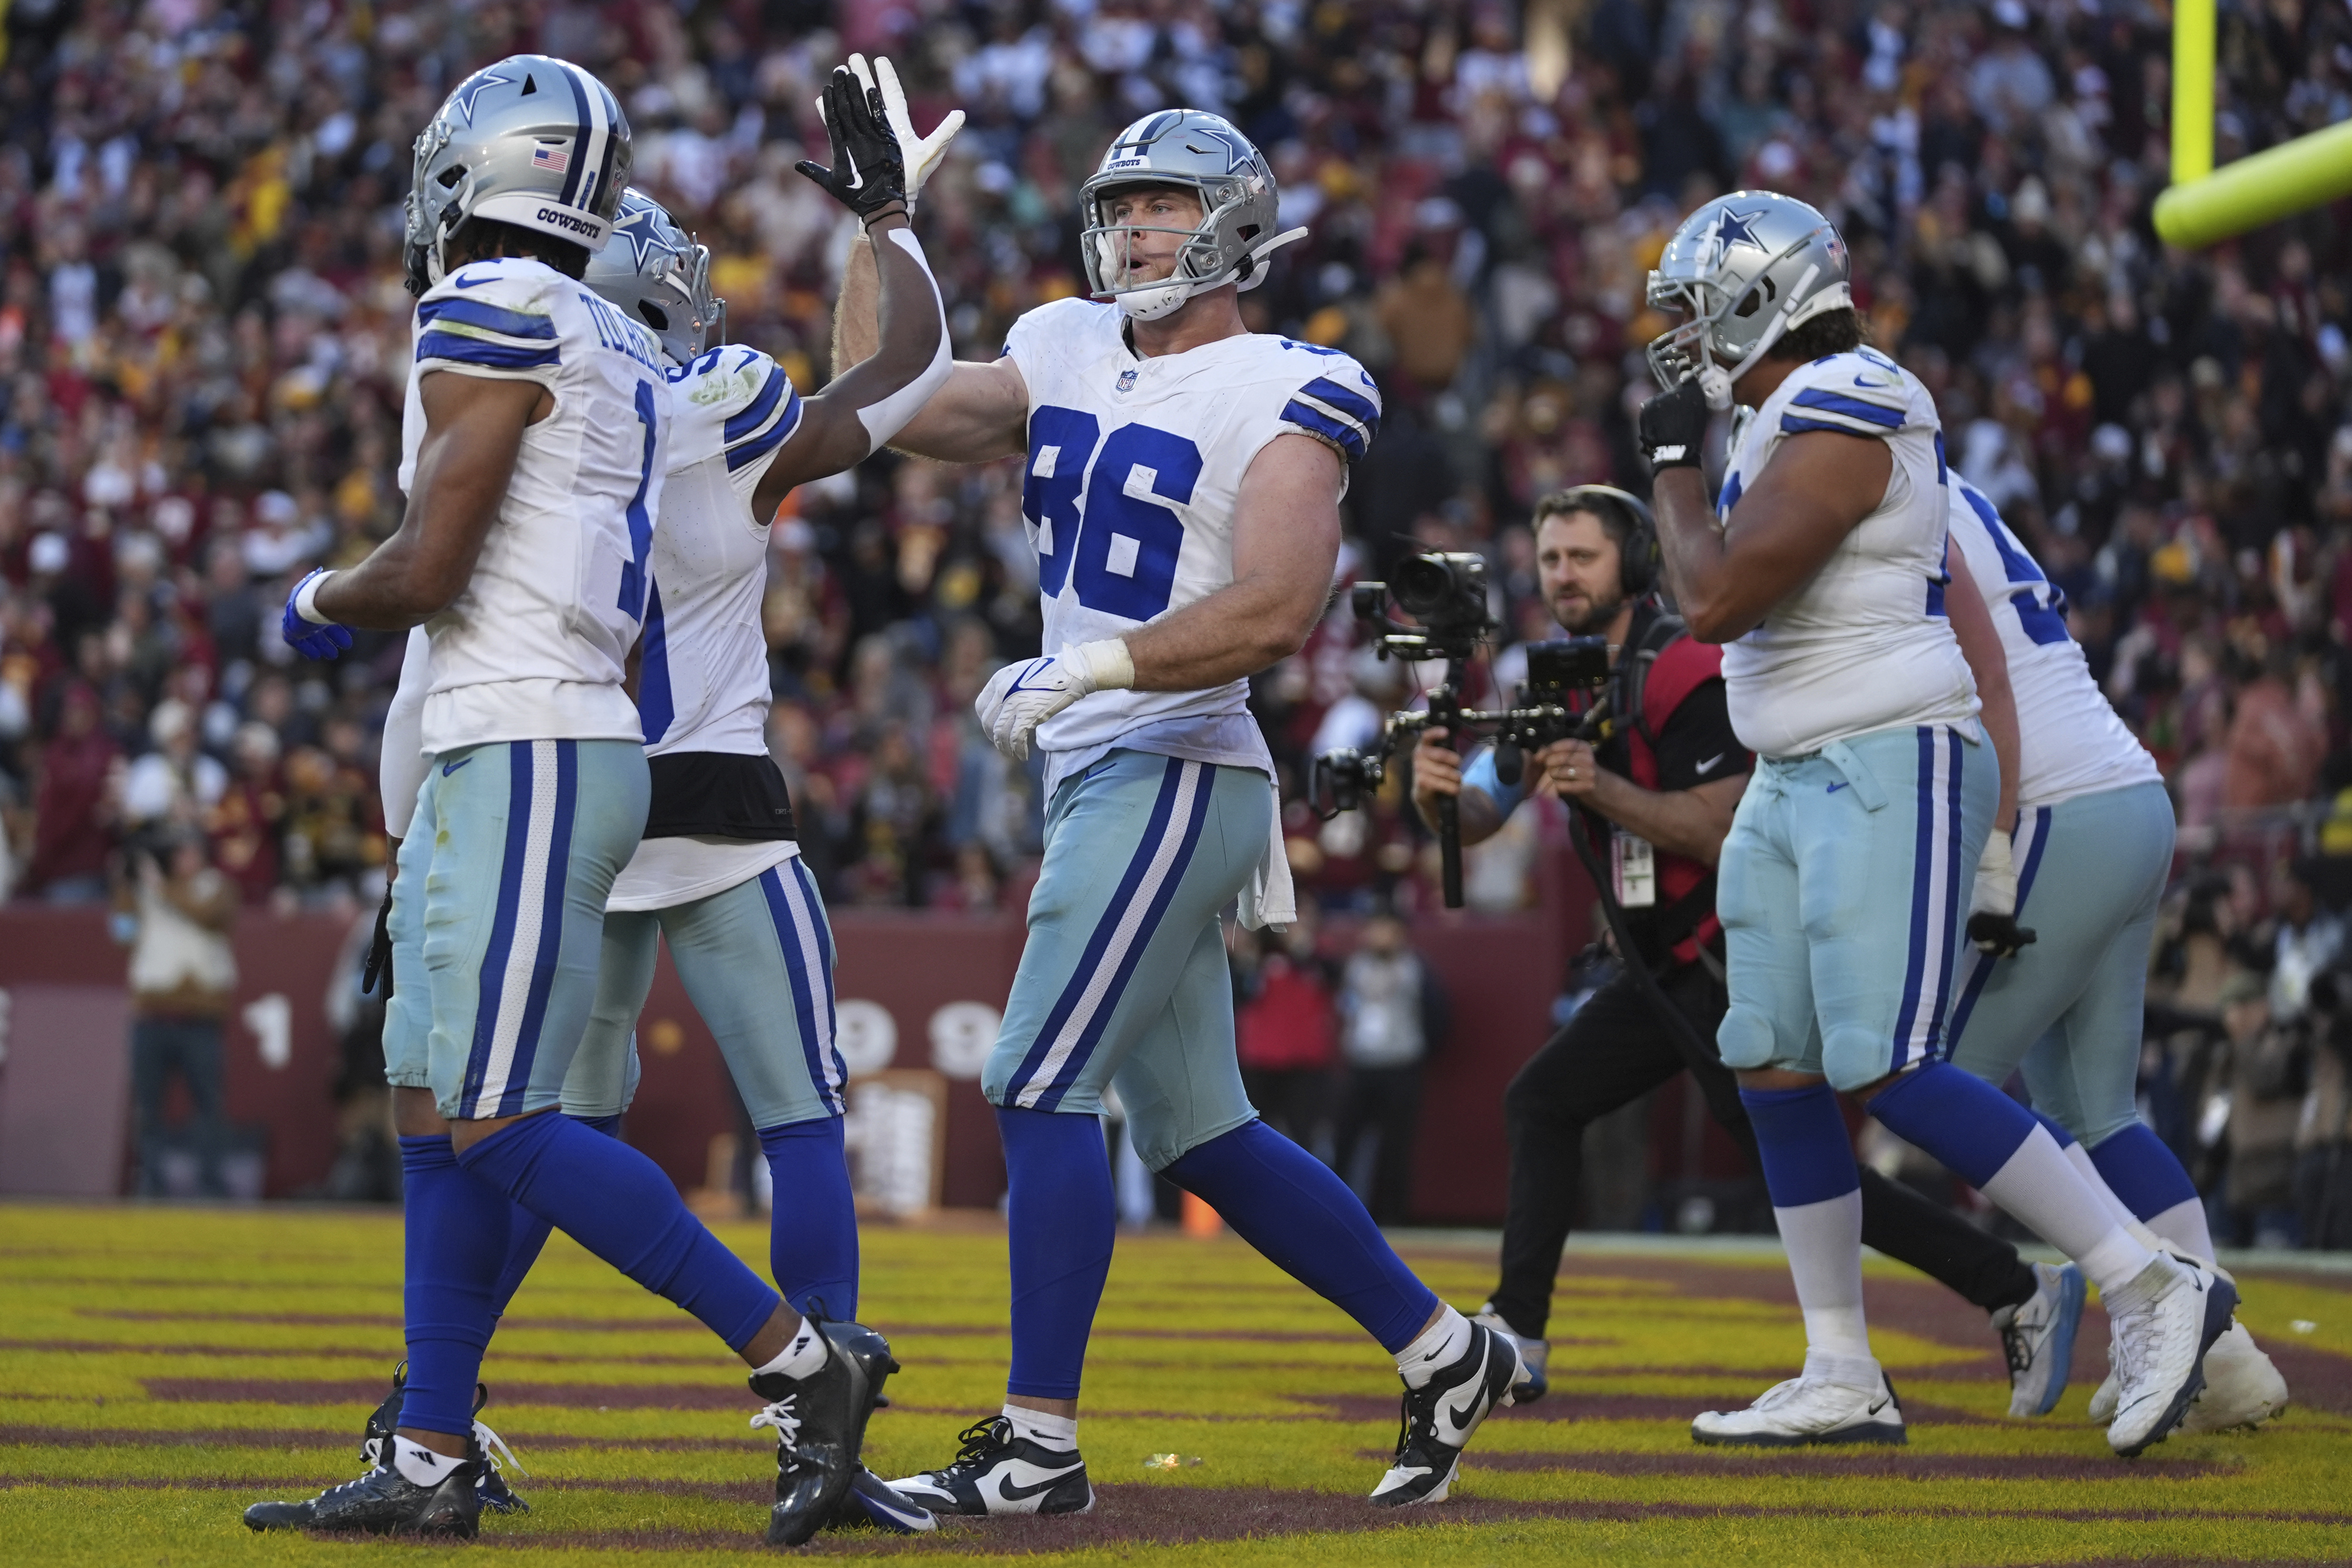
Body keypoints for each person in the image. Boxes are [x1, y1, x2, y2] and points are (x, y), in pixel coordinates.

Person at [241, 58, 897, 1545]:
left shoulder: (492, 310)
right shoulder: (607, 330)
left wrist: (311, 598)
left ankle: (802, 1363)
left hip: (531, 736)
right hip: (521, 736)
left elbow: (427, 567)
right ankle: (427, 1453)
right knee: (429, 1108)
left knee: (497, 1117)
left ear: (489, 172)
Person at [841, 106, 1521, 1514]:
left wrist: (1091, 660)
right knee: (1200, 1135)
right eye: (1123, 207)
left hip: (1173, 763)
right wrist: (882, 228)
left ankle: (1038, 1444)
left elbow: (1275, 607)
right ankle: (1443, 1349)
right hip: (1099, 769)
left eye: (1164, 206)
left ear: (1231, 225)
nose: (1136, 230)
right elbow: (882, 398)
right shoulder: (1062, 344)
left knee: (1034, 1080)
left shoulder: (1291, 380)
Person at [1637, 189, 2231, 1458]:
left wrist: (1666, 466)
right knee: (1771, 1058)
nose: (1682, 335)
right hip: (1794, 767)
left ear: (1762, 296)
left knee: (1890, 1061)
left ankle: (2145, 1282)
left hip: (1885, 754)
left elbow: (1717, 597)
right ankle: (1838, 1367)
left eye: (1695, 307)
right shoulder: (1768, 421)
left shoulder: (1856, 392)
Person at [1411, 486, 2077, 1414]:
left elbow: (1722, 831)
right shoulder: (1561, 680)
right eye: (1551, 558)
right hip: (1661, 961)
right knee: (1547, 1100)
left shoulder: (1684, 668)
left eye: (1582, 557)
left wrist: (1600, 790)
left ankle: (2014, 1286)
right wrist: (1434, 788)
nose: (1561, 575)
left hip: (1729, 947)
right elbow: (1480, 813)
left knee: (1798, 1171)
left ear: (1636, 563)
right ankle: (1518, 1330)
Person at [1940, 474, 2288, 1432]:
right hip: (2127, 792)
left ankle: (2167, 1313)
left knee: (1939, 1084)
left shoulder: (1861, 476)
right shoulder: (1940, 480)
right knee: (2094, 1112)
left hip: (2056, 804)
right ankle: (2226, 1359)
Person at [116, 828, 238, 1197]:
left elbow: (205, 914)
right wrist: (124, 883)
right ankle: (152, 1180)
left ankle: (211, 1182)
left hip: (200, 1017)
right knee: (149, 1107)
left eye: (189, 852)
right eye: (177, 853)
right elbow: (121, 932)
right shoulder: (146, 890)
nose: (183, 860)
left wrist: (159, 885)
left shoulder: (217, 888)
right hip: (153, 1014)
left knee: (209, 1104)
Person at [1331, 911, 1448, 1224]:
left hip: (1401, 1065)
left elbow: (1437, 1013)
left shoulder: (1415, 968)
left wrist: (1419, 1049)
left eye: (1387, 930)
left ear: (1401, 935)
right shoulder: (1355, 966)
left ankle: (1394, 1216)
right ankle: (1334, 1211)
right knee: (1345, 1140)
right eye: (1375, 929)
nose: (1379, 936)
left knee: (1397, 1147)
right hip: (1361, 1064)